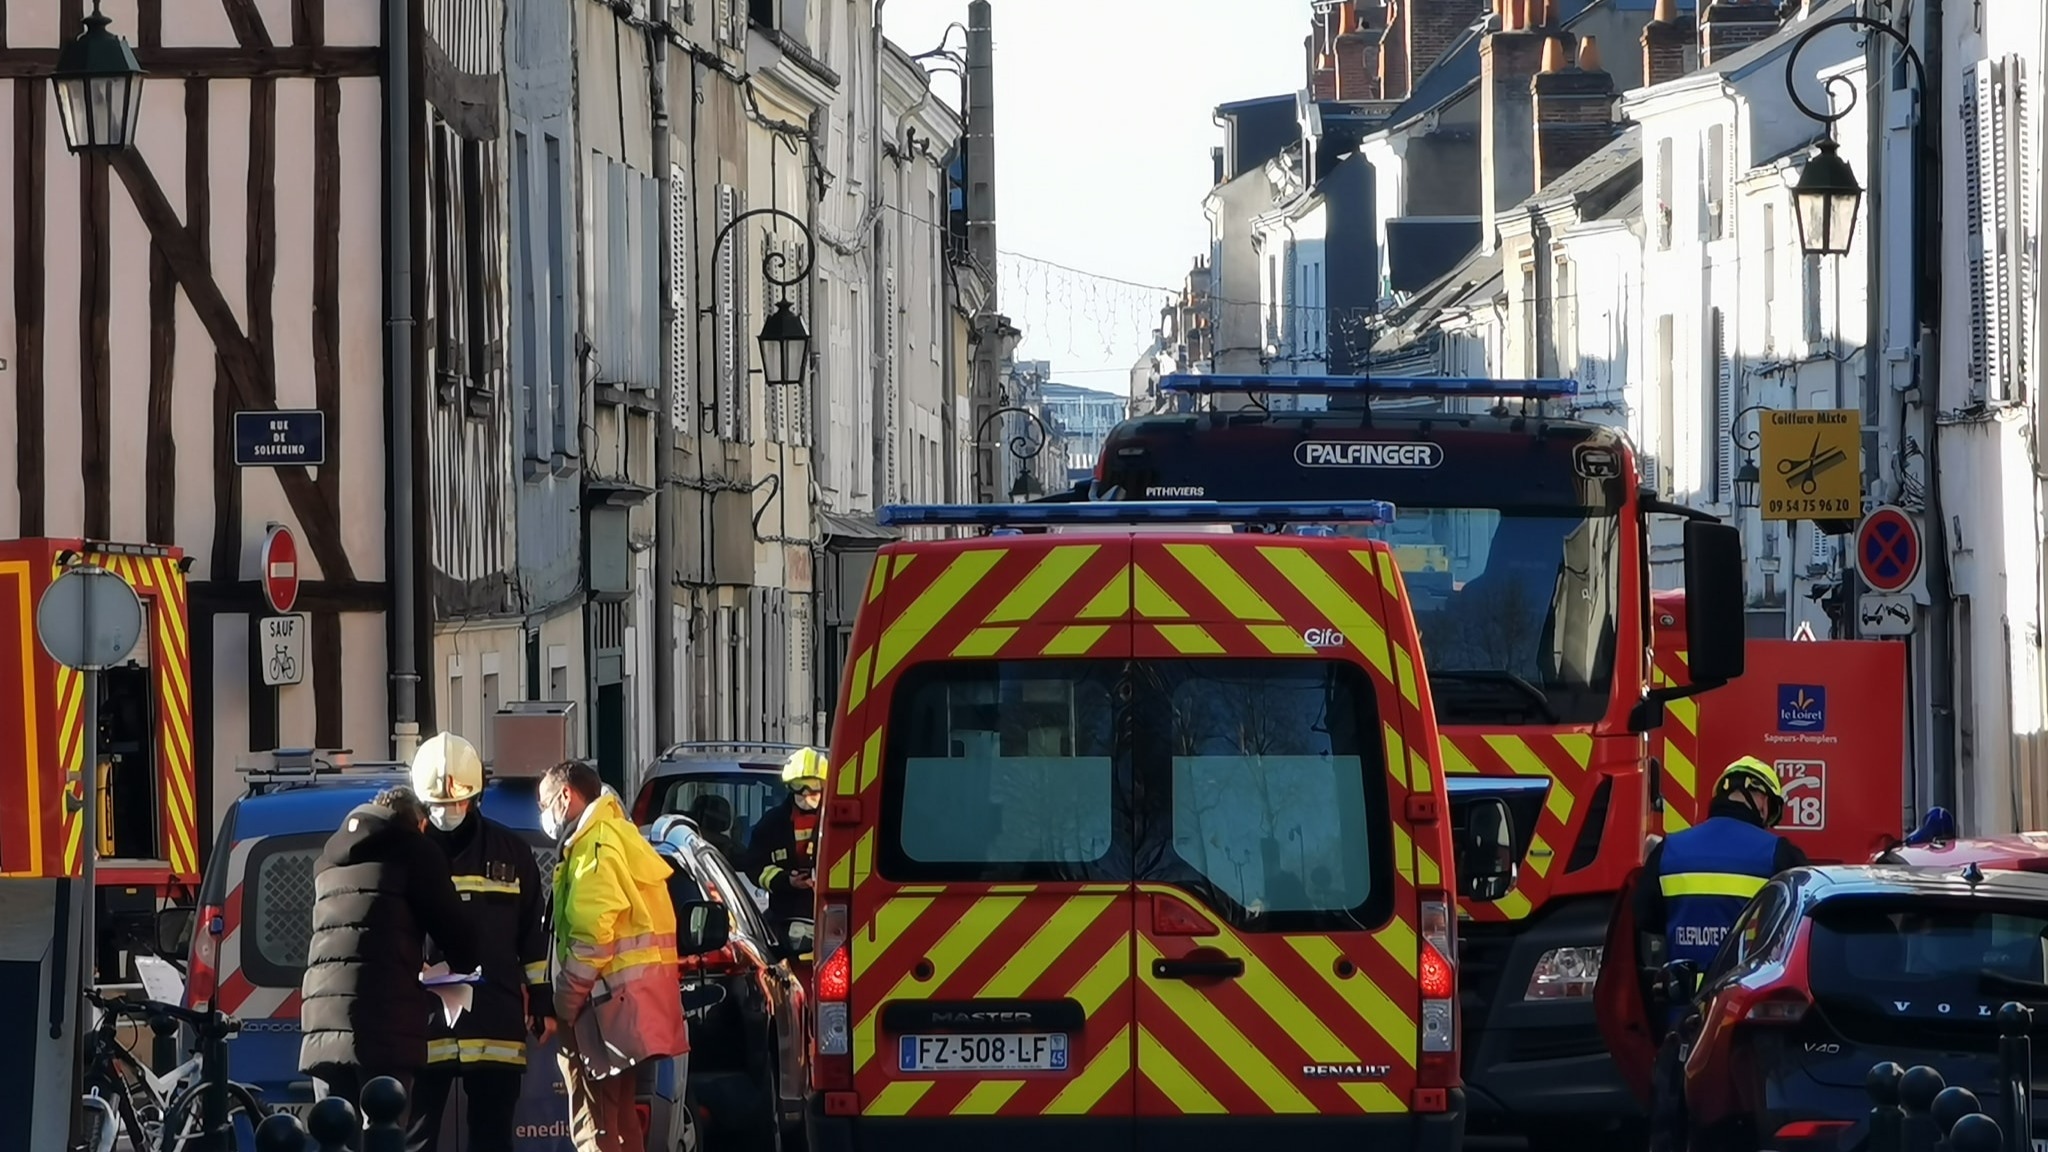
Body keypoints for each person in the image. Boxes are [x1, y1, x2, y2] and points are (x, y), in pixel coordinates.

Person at [1633, 756, 1807, 1152]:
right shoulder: (1779, 855)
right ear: (1758, 797)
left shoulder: (1670, 850)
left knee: (1676, 1125)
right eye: (1770, 807)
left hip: (1683, 1018)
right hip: (1746, 1025)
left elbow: (1644, 920)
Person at [300, 785, 482, 1140]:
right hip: (382, 1021)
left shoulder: (328, 860)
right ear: (418, 823)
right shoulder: (413, 850)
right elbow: (455, 929)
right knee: (383, 1134)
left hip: (321, 1024)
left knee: (333, 1137)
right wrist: (461, 965)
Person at [408, 732, 555, 1152]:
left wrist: (542, 1000)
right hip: (424, 1019)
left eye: (456, 802)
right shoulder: (407, 853)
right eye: (437, 805)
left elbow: (532, 933)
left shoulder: (512, 852)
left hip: (495, 1017)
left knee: (492, 1140)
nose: (447, 812)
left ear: (476, 798)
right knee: (415, 1140)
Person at [540, 760, 690, 1152]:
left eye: (544, 803)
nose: (544, 815)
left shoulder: (593, 845)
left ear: (565, 795)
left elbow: (592, 938)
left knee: (595, 1126)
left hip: (601, 1010)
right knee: (623, 1122)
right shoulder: (621, 835)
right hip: (634, 1010)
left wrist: (564, 1004)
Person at [740, 747, 827, 936]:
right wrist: (787, 880)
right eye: (800, 787)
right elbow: (754, 865)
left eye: (813, 787)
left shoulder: (834, 820)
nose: (806, 794)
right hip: (787, 918)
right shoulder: (773, 823)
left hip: (830, 915)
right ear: (790, 787)